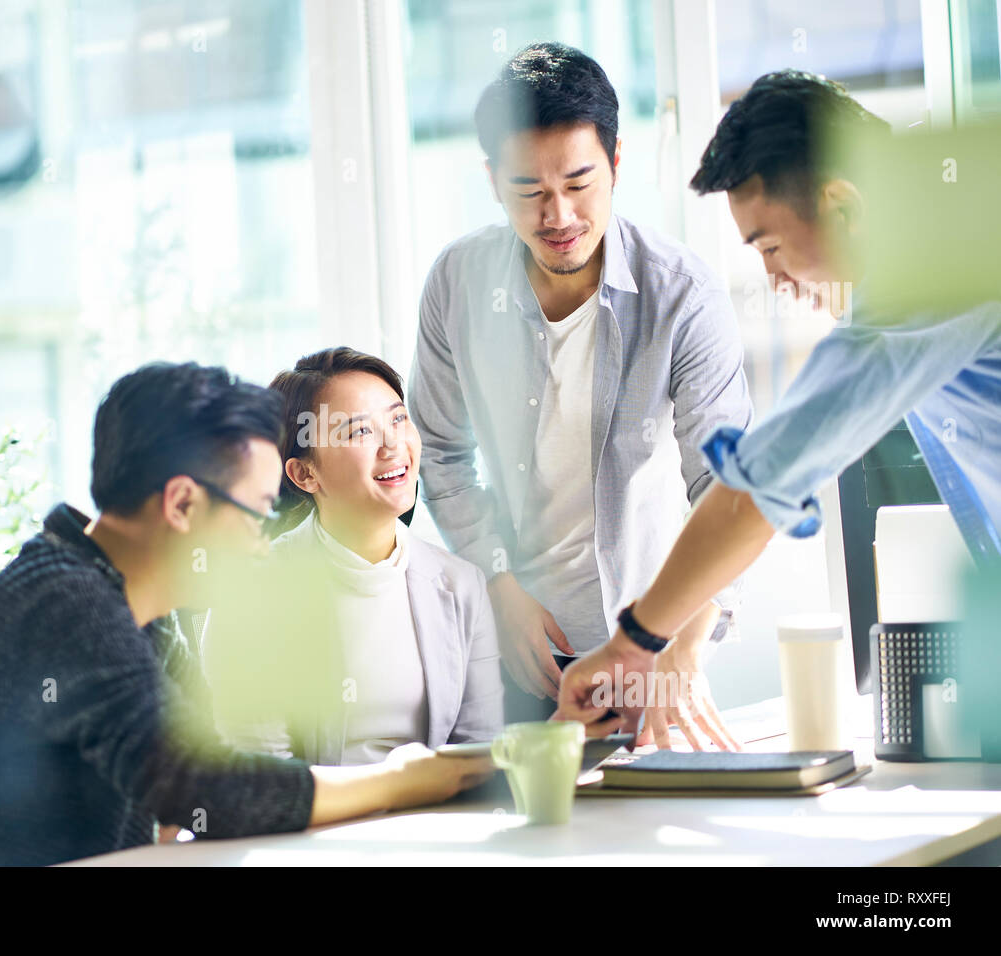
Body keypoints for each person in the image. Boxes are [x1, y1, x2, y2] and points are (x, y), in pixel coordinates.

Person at [0, 362, 492, 866]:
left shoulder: (131, 605)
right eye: (257, 514)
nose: (262, 546)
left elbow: (194, 784)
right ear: (181, 503)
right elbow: (208, 786)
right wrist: (405, 779)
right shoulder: (68, 603)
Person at [554, 70, 1001, 744]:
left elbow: (757, 490)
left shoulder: (921, 270)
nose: (775, 280)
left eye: (769, 246)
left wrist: (634, 642)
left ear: (843, 207)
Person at [408, 42, 753, 746]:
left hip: (652, 648)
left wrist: (678, 647)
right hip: (511, 653)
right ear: (492, 181)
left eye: (578, 181)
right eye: (528, 191)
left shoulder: (681, 297)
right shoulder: (457, 283)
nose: (558, 215)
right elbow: (439, 451)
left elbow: (726, 488)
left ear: (617, 163)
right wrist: (498, 586)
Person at [209, 347, 502, 765]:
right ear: (304, 474)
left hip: (438, 823)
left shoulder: (461, 584)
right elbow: (262, 776)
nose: (394, 446)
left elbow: (481, 753)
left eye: (399, 418)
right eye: (360, 432)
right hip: (313, 825)